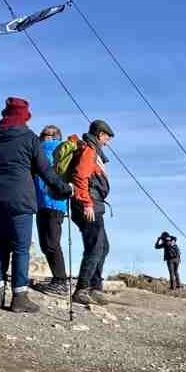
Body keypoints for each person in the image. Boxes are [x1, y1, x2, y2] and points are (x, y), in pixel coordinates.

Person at [0, 97, 70, 313]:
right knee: (20, 248)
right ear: (25, 116)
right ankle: (19, 297)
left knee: (0, 246)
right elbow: (46, 172)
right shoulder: (29, 138)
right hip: (20, 200)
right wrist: (64, 189)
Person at [67, 119, 115, 305]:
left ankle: (95, 287)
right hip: (88, 204)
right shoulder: (89, 151)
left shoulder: (92, 150)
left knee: (103, 246)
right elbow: (80, 177)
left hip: (94, 204)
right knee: (95, 246)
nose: (107, 142)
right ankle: (82, 288)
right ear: (100, 134)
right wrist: (86, 203)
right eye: (106, 138)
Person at [32, 124, 71, 295]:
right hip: (58, 203)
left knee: (50, 243)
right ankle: (59, 279)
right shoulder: (65, 152)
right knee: (51, 242)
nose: (41, 137)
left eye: (43, 135)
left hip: (44, 202)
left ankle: (60, 281)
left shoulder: (41, 151)